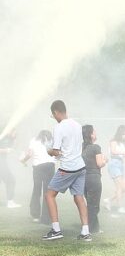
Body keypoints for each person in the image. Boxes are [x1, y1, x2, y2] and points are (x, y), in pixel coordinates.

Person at [42, 100, 91, 241]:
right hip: (80, 167)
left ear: (56, 112)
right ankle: (85, 232)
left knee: (49, 195)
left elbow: (56, 151)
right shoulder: (77, 124)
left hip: (68, 168)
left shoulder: (59, 127)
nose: (54, 117)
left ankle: (56, 230)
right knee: (79, 197)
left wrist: (48, 150)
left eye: (53, 115)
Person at [20, 130, 55, 224]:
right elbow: (55, 154)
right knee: (48, 192)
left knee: (36, 190)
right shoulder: (52, 140)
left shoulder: (34, 140)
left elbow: (29, 154)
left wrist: (23, 161)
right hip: (50, 166)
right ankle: (46, 218)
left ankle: (35, 215)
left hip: (38, 167)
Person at [82, 125, 107, 233]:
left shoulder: (81, 147)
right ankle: (90, 229)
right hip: (94, 178)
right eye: (94, 132)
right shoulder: (96, 147)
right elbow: (100, 163)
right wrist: (106, 160)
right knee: (94, 205)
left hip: (83, 178)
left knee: (90, 203)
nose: (96, 134)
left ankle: (94, 227)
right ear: (91, 135)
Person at [104, 125, 125, 214]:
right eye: (123, 134)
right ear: (119, 133)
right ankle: (120, 207)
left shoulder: (122, 143)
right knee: (119, 187)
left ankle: (109, 200)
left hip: (121, 164)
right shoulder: (113, 141)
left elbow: (122, 154)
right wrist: (124, 153)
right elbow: (113, 152)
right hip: (114, 164)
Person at [0, 127, 21, 208]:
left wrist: (14, 138)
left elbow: (14, 148)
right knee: (11, 180)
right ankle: (10, 202)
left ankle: (10, 202)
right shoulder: (2, 137)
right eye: (14, 132)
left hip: (2, 163)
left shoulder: (9, 139)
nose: (15, 134)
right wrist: (6, 151)